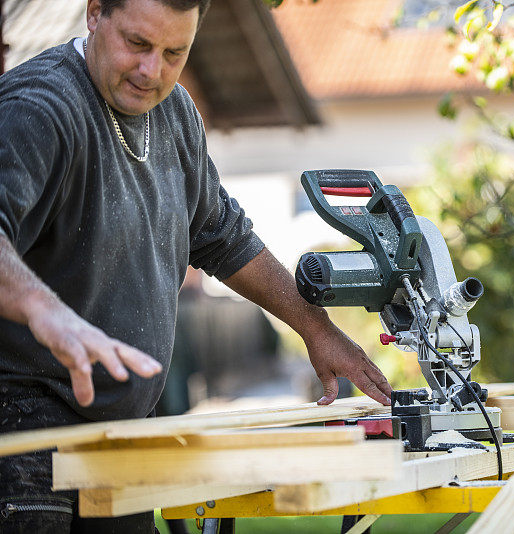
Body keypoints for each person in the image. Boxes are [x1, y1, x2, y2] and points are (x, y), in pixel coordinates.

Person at [0, 0, 392, 532]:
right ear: (95, 15)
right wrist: (46, 310)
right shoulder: (40, 108)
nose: (151, 71)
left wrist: (316, 328)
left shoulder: (176, 113)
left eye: (173, 53)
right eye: (137, 44)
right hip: (23, 434)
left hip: (120, 434)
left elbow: (225, 239)